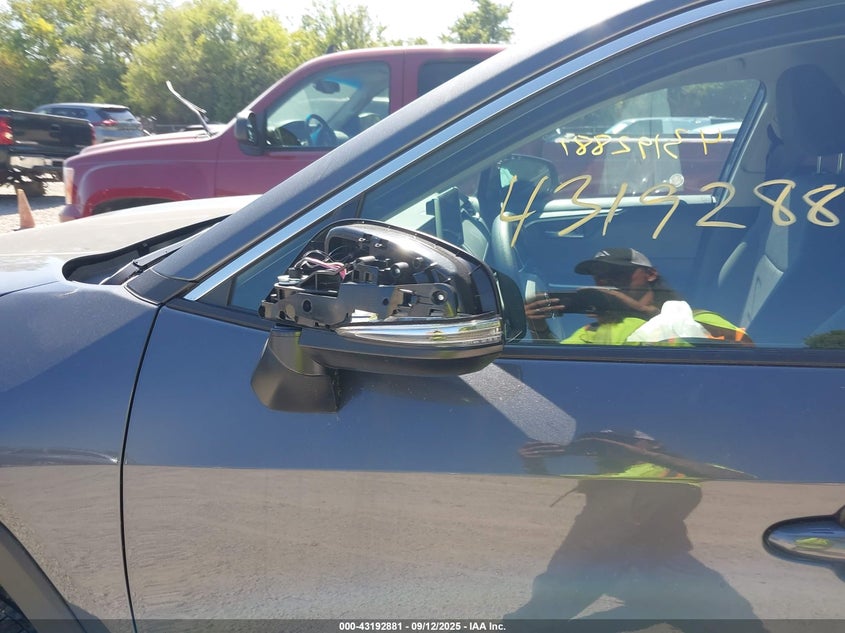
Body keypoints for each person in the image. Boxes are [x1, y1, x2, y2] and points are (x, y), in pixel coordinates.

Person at [525, 247, 752, 345]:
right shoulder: (592, 332)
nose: (605, 281)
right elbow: (557, 369)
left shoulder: (691, 317)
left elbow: (744, 346)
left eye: (616, 273)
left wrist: (642, 312)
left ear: (650, 274)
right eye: (599, 277)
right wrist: (539, 328)